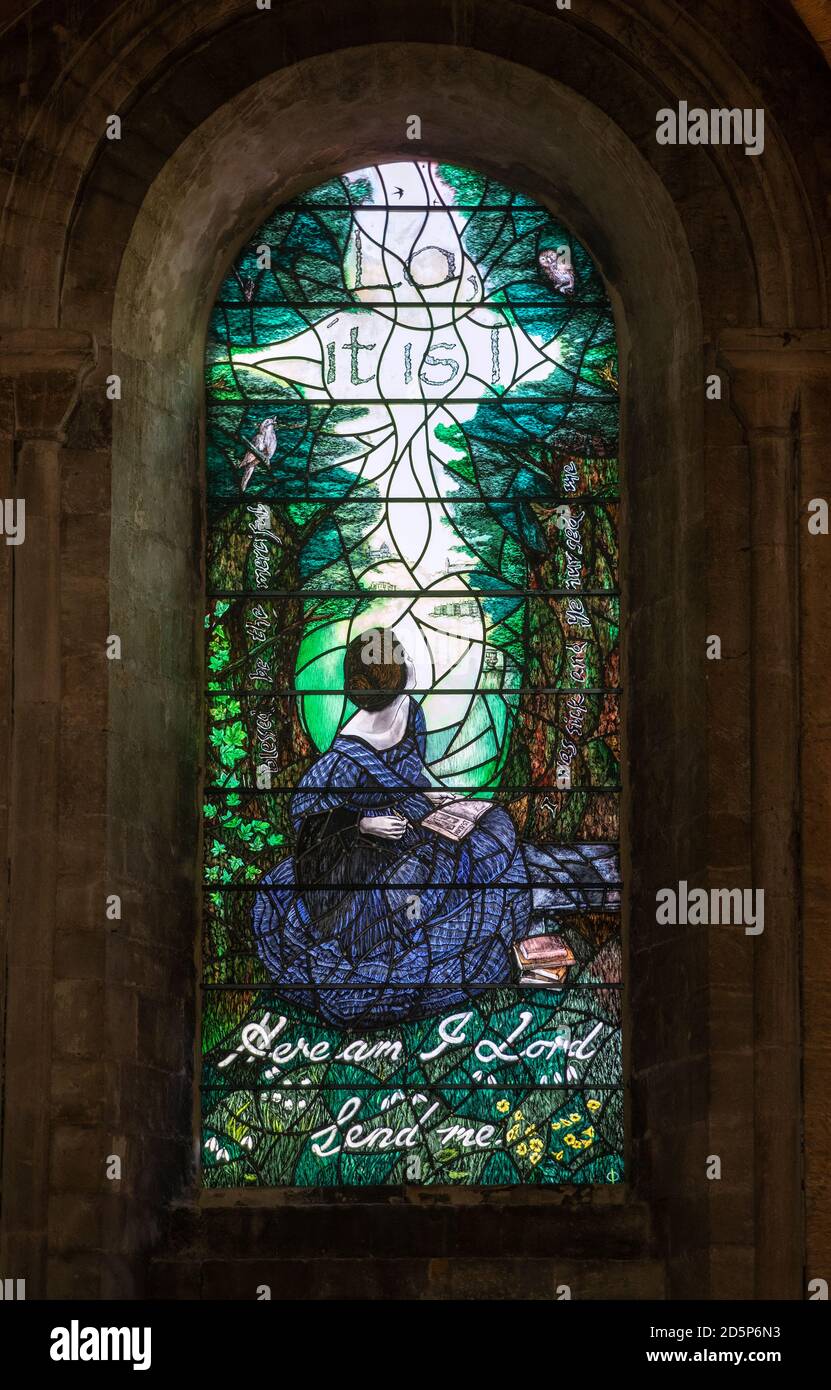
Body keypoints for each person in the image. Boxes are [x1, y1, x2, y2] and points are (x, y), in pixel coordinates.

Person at [252, 629, 532, 1026]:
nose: (411, 665)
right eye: (402, 659)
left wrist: (437, 799)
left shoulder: (409, 712)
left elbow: (413, 776)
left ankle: (423, 921)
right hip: (363, 862)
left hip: (417, 830)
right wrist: (364, 824)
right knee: (408, 894)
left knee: (496, 825)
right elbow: (305, 818)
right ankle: (398, 940)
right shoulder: (342, 760)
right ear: (390, 678)